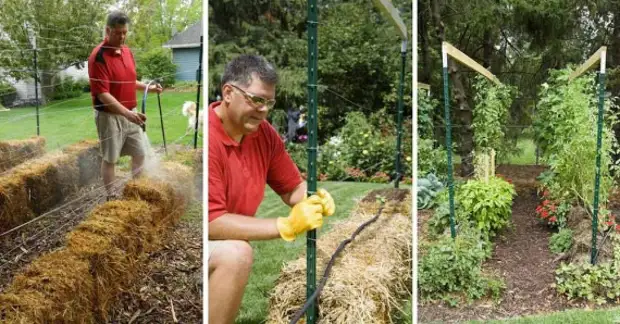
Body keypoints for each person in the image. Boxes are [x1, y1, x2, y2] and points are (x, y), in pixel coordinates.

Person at [208, 54, 336, 324]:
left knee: (236, 249)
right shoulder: (209, 138)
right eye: (256, 99)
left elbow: (291, 189)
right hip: (200, 239)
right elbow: (211, 221)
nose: (263, 109)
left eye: (269, 102)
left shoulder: (263, 133)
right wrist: (286, 226)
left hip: (223, 239)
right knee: (236, 254)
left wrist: (312, 199)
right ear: (228, 93)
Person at [88, 10, 162, 200]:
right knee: (110, 158)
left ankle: (135, 189)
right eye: (117, 32)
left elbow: (130, 81)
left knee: (139, 153)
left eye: (124, 32)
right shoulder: (98, 57)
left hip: (131, 113)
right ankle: (112, 196)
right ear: (107, 30)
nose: (122, 37)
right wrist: (126, 114)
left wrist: (149, 88)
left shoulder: (127, 52)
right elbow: (103, 94)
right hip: (109, 116)